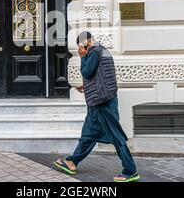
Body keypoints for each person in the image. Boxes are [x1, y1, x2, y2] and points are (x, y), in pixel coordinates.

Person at [53, 31, 140, 182]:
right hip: (101, 100)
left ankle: (130, 171)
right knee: (89, 134)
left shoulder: (93, 52)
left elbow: (87, 72)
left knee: (116, 136)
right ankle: (72, 161)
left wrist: (82, 57)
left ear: (84, 42)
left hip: (102, 103)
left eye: (80, 45)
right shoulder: (103, 50)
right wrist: (87, 86)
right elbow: (101, 77)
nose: (81, 48)